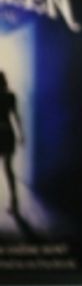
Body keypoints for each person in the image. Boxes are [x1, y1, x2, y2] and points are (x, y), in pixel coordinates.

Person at [0, 71, 22, 216]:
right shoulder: (10, 96)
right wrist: (21, 133)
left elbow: (16, 115)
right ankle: (14, 202)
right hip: (8, 134)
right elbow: (16, 116)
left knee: (8, 169)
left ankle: (14, 202)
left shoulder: (9, 96)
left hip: (4, 134)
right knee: (8, 169)